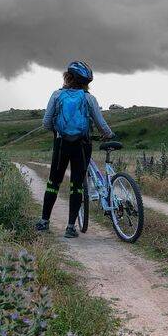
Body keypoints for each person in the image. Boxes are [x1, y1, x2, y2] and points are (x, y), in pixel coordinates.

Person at [35, 60, 113, 237]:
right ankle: (71, 227)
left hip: (61, 144)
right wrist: (109, 135)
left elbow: (46, 123)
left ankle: (44, 222)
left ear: (67, 77)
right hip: (83, 145)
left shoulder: (56, 95)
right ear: (86, 82)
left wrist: (57, 128)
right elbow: (101, 124)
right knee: (77, 185)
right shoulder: (89, 99)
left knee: (53, 183)